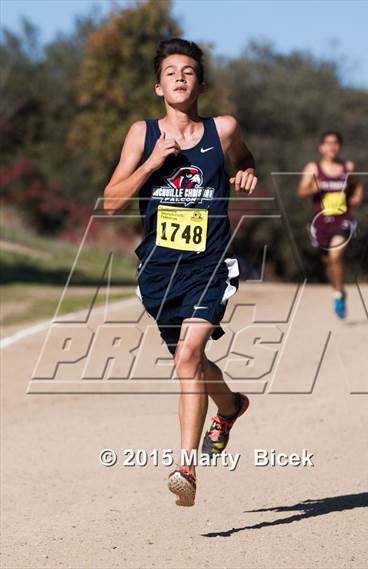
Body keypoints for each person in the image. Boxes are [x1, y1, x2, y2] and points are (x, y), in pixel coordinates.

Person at [103, 38, 257, 506]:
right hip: (158, 272)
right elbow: (111, 202)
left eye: (188, 70)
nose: (180, 77)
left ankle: (185, 467)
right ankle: (229, 406)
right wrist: (152, 162)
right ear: (158, 86)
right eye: (171, 71)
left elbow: (245, 159)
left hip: (208, 265)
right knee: (190, 361)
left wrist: (246, 172)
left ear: (201, 83)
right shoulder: (142, 134)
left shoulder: (223, 129)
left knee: (188, 356)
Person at [297, 131, 363, 319]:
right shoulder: (314, 167)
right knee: (328, 262)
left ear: (339, 147)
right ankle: (339, 291)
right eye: (328, 143)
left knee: (335, 255)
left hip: (343, 219)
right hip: (320, 222)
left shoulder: (347, 167)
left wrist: (358, 195)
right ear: (321, 147)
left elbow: (357, 185)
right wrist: (313, 187)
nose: (332, 147)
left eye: (335, 143)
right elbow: (301, 191)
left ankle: (338, 296)